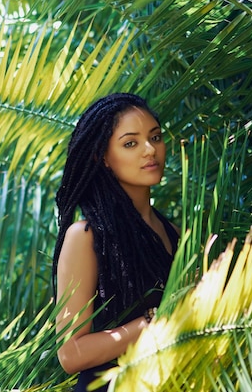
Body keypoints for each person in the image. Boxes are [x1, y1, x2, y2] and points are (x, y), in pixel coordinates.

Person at [52, 93, 179, 391]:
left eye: (156, 137)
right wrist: (151, 323)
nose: (150, 150)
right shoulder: (85, 237)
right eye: (130, 143)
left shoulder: (176, 233)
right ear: (103, 158)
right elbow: (70, 354)